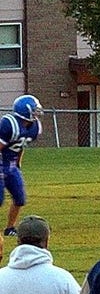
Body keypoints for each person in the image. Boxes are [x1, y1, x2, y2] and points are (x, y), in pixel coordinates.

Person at [0, 95, 43, 239]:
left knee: (20, 198)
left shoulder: (34, 127)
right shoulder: (9, 124)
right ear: (25, 110)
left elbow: (21, 146)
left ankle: (10, 228)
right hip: (1, 163)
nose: (37, 113)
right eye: (34, 110)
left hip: (12, 165)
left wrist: (18, 164)